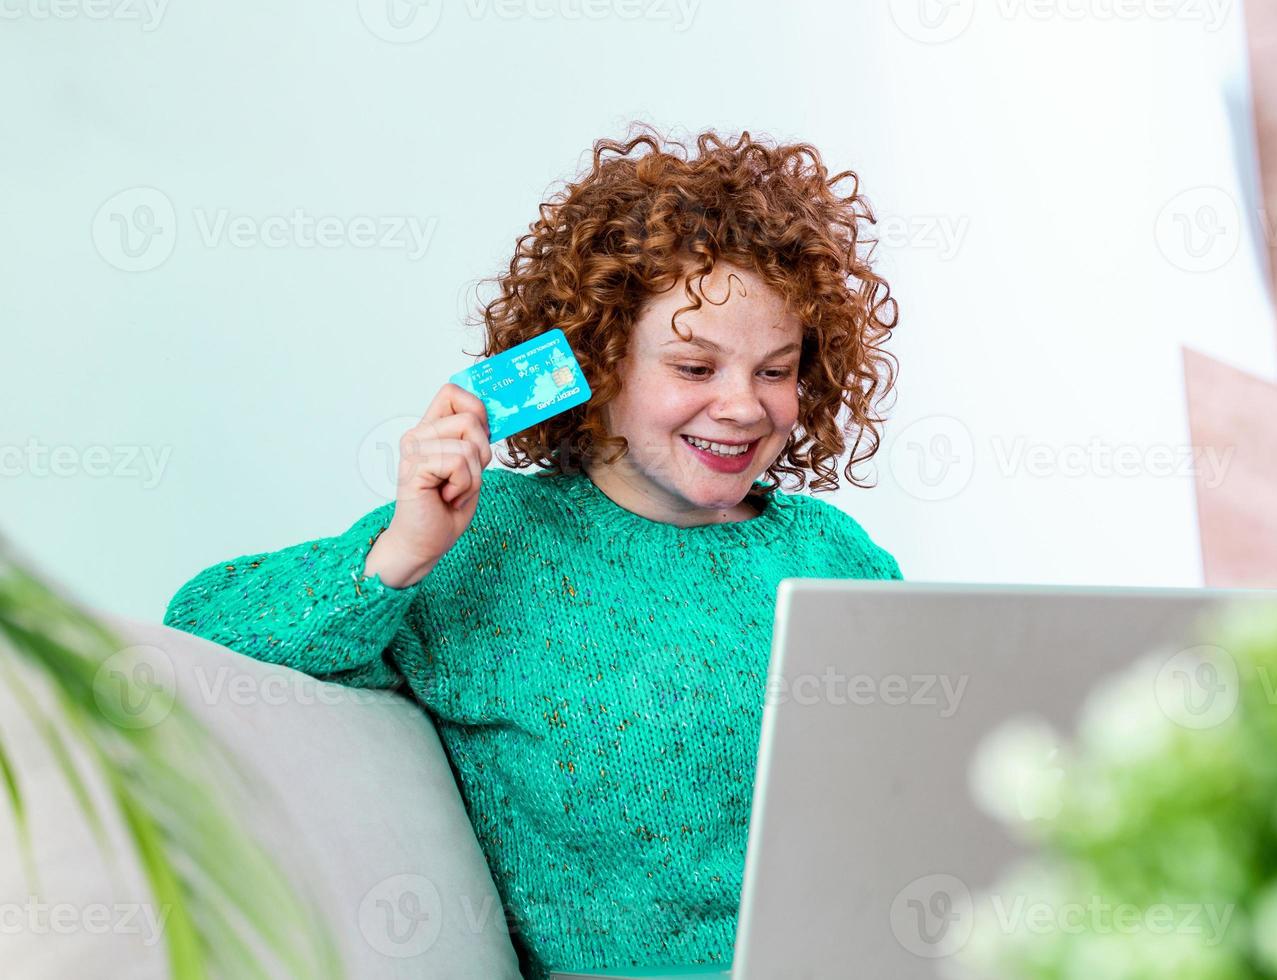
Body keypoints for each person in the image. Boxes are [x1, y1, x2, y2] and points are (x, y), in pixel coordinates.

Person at [163, 122, 904, 979]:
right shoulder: (489, 540)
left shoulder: (832, 552)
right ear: (600, 363)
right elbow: (204, 625)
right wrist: (401, 552)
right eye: (695, 369)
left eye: (775, 370)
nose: (743, 406)